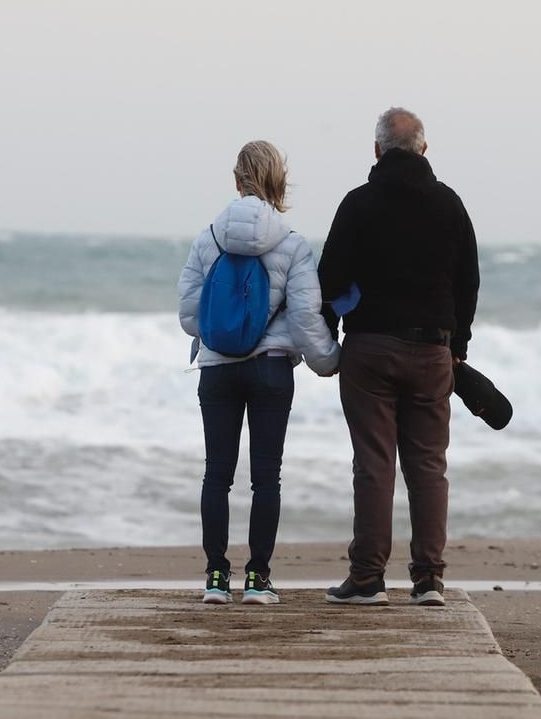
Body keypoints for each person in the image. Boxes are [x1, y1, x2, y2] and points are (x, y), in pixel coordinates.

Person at [317, 107, 479, 607]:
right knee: (429, 465)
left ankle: (367, 578)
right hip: (433, 350)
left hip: (371, 351)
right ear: (424, 150)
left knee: (374, 465)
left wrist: (328, 334)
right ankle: (429, 578)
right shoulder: (449, 205)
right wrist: (458, 348)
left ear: (377, 150)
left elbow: (328, 280)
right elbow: (468, 282)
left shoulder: (359, 204)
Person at [179, 140, 340, 605]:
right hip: (271, 371)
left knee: (217, 475)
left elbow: (190, 312)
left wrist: (222, 332)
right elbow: (308, 320)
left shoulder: (207, 238)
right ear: (279, 182)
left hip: (216, 369)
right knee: (266, 478)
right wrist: (329, 361)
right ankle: (257, 580)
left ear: (236, 180)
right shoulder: (292, 245)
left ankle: (214, 579)